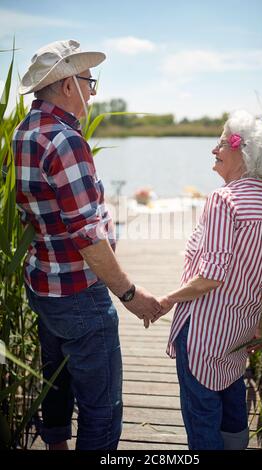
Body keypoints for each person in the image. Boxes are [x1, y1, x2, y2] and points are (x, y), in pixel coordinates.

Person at [13, 39, 161, 451]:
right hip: (79, 292)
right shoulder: (65, 140)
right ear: (67, 86)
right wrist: (129, 293)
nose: (92, 93)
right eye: (88, 83)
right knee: (102, 407)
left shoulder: (25, 133)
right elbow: (86, 235)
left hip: (43, 283)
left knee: (55, 382)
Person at [154, 110, 262, 450]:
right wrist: (257, 322)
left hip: (205, 331)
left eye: (222, 143)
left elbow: (211, 276)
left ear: (243, 152)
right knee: (231, 404)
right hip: (238, 329)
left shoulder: (224, 199)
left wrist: (167, 300)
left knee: (202, 419)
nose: (215, 149)